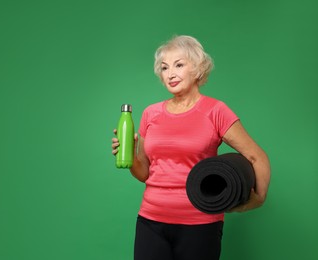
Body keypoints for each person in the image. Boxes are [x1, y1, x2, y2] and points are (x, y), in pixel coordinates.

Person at [111, 35, 271, 260]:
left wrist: (258, 199)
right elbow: (144, 172)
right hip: (151, 221)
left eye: (179, 65)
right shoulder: (151, 113)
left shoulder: (215, 110)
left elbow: (256, 156)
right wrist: (129, 157)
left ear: (197, 68)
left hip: (200, 224)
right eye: (164, 68)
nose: (170, 74)